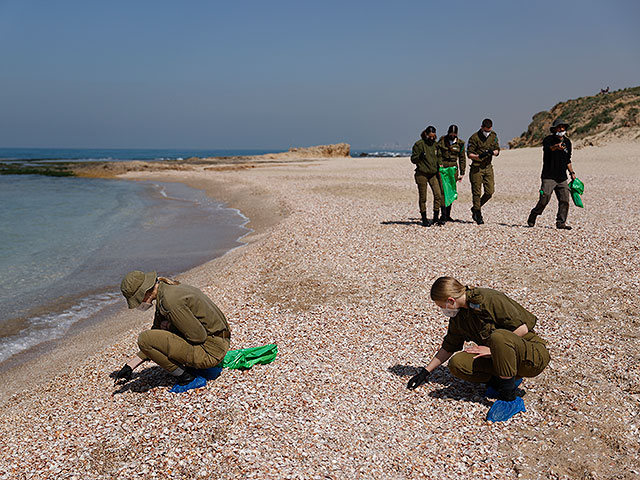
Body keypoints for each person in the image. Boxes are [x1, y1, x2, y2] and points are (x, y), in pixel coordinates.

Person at [407, 276, 550, 422]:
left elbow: (523, 327)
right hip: (503, 358)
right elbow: (449, 346)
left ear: (450, 300)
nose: (442, 310)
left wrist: (492, 350)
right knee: (458, 363)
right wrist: (425, 372)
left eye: (441, 306)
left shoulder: (489, 299)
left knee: (498, 337)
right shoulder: (459, 316)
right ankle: (505, 380)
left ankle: (509, 399)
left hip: (531, 356)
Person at [114, 271, 231, 392]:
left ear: (143, 293)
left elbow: (198, 336)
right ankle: (195, 369)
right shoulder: (167, 290)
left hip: (211, 352)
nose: (139, 304)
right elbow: (156, 333)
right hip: (219, 342)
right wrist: (130, 366)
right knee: (150, 337)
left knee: (144, 338)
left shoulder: (169, 302)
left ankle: (187, 378)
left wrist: (170, 326)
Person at [527, 118, 577, 230]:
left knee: (565, 200)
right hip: (548, 176)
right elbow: (549, 149)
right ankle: (534, 213)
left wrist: (572, 173)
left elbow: (568, 160)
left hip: (562, 177)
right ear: (554, 129)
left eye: (563, 127)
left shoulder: (568, 142)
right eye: (559, 127)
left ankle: (561, 222)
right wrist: (557, 147)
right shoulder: (548, 140)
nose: (562, 129)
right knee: (545, 198)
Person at [466, 118, 500, 224]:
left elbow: (497, 150)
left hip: (488, 167)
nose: (487, 132)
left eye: (489, 130)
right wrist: (479, 156)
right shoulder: (474, 138)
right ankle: (478, 213)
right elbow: (469, 154)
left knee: (489, 192)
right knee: (476, 192)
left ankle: (476, 207)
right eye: (486, 130)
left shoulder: (493, 136)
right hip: (477, 167)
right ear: (482, 127)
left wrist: (492, 152)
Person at [411, 126, 443, 227]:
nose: (432, 138)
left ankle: (435, 217)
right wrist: (419, 157)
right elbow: (413, 159)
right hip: (422, 174)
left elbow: (439, 157)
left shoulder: (436, 145)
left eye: (434, 136)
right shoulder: (419, 145)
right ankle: (424, 218)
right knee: (423, 196)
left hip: (433, 174)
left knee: (438, 195)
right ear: (426, 134)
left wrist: (440, 165)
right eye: (430, 136)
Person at [437, 125, 466, 221]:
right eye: (451, 134)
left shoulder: (460, 144)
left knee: (451, 191)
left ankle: (448, 215)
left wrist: (462, 172)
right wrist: (439, 164)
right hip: (443, 169)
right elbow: (438, 154)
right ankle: (443, 215)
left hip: (453, 169)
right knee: (443, 191)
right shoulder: (442, 141)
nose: (452, 136)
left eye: (454, 134)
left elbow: (462, 158)